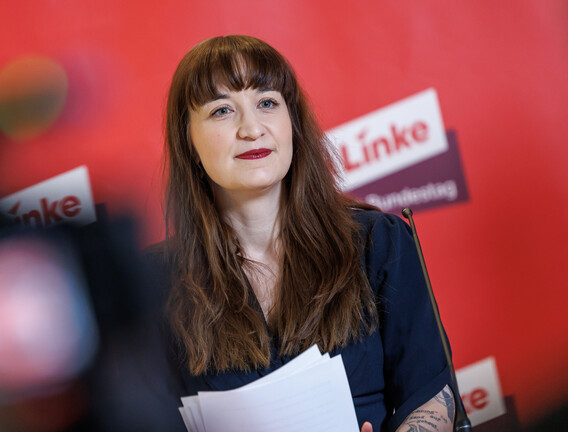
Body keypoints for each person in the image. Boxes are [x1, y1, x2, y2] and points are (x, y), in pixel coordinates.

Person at [145, 35, 457, 432]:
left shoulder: (379, 243)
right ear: (188, 139)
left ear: (291, 121)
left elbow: (431, 396)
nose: (251, 128)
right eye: (222, 110)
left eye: (267, 103)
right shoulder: (151, 283)